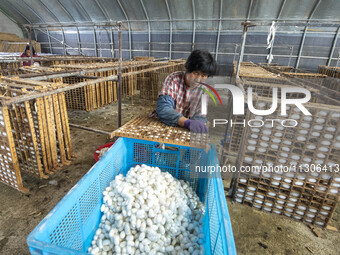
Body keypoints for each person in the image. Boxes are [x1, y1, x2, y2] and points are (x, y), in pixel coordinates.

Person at [153, 50, 217, 133]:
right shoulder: (174, 79)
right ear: (188, 69)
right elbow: (164, 108)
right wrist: (186, 122)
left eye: (203, 75)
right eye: (195, 73)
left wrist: (199, 124)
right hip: (165, 123)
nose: (198, 79)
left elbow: (201, 115)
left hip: (184, 129)